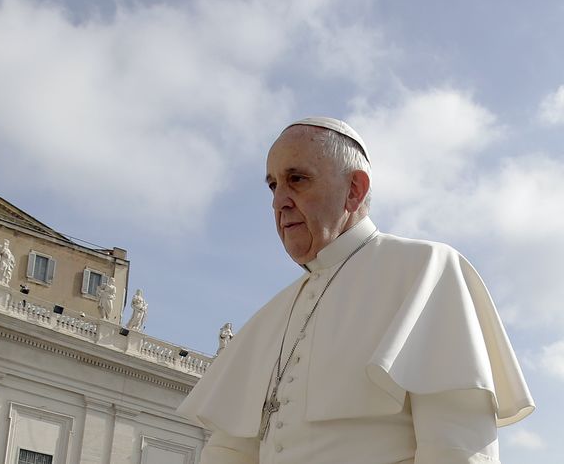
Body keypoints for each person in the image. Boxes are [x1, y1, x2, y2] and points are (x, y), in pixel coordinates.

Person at [178, 117, 534, 464]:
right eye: (273, 185)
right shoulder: (269, 316)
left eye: (297, 179)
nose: (279, 202)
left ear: (354, 190)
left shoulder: (425, 271)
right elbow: (228, 452)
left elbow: (457, 447)